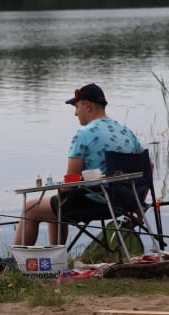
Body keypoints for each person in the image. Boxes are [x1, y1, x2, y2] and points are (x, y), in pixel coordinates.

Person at [13, 83, 144, 246]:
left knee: (31, 208)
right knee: (56, 203)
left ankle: (15, 262)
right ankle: (57, 258)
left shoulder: (83, 134)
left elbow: (71, 181)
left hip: (95, 203)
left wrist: (60, 186)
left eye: (76, 107)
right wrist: (138, 200)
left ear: (87, 106)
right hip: (125, 202)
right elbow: (148, 167)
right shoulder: (125, 131)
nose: (75, 113)